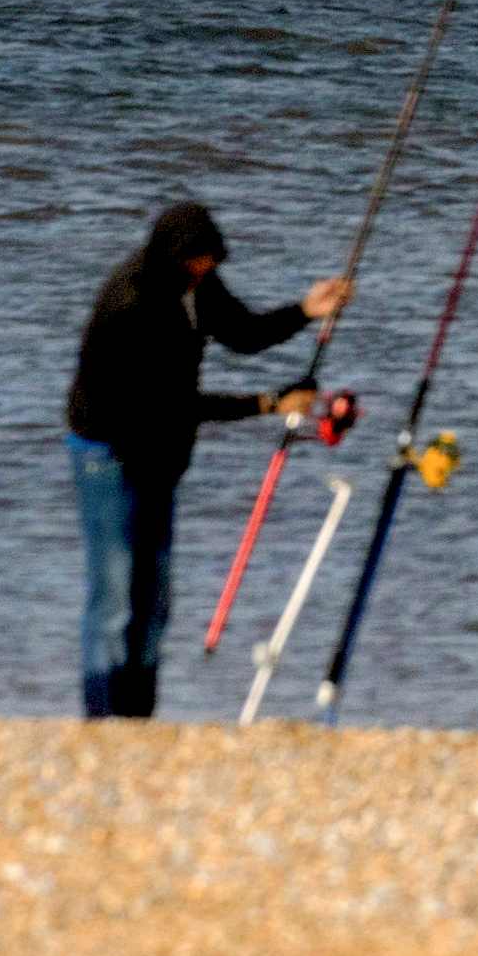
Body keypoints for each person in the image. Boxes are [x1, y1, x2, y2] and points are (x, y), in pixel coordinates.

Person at [62, 201, 351, 719]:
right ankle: (101, 721)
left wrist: (307, 311)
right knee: (114, 598)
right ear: (173, 258)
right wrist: (268, 404)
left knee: (154, 602)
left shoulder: (199, 285)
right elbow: (170, 404)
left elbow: (241, 333)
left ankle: (137, 719)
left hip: (160, 454)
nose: (205, 271)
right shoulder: (131, 305)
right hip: (106, 450)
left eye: (211, 261)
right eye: (197, 263)